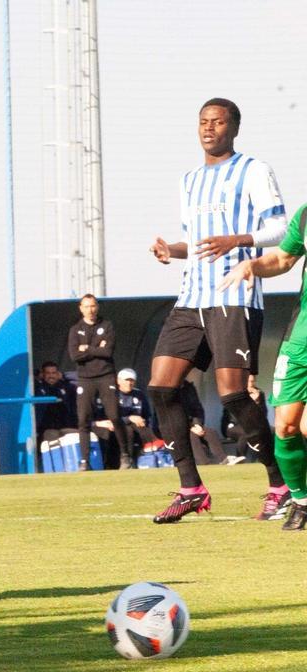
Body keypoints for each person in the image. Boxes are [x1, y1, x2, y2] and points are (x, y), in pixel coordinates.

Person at [146, 97, 288, 524]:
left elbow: (280, 228)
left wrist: (238, 240)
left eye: (218, 121)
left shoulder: (254, 171)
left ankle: (281, 486)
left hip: (234, 296)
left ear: (234, 128)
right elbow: (200, 242)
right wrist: (172, 249)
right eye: (203, 122)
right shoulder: (189, 180)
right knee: (161, 387)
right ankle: (191, 488)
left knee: (232, 395)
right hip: (192, 298)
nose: (209, 128)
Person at [221, 201, 307, 529]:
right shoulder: (305, 214)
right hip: (299, 339)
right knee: (285, 426)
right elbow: (283, 258)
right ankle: (301, 501)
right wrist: (252, 266)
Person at [67, 294, 129, 471]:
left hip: (105, 376)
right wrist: (97, 349)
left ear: (97, 307)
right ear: (81, 308)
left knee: (114, 416)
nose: (90, 310)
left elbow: (108, 352)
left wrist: (86, 348)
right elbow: (74, 355)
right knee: (83, 419)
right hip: (86, 378)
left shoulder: (106, 326)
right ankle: (84, 461)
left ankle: (125, 455)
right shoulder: (75, 329)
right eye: (87, 306)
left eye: (93, 306)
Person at [92, 368, 155, 469]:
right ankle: (126, 462)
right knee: (127, 431)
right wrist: (129, 418)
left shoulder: (139, 394)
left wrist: (145, 423)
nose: (129, 383)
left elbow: (148, 416)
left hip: (135, 427)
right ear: (118, 381)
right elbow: (108, 418)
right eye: (126, 380)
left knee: (146, 432)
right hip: (114, 427)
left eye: (132, 380)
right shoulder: (111, 394)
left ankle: (151, 460)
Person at [219, 373, 266, 463]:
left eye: (252, 381)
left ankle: (268, 458)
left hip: (253, 425)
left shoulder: (259, 394)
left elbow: (263, 414)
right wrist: (250, 402)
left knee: (269, 431)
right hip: (233, 426)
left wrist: (257, 402)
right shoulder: (235, 393)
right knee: (246, 432)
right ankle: (239, 457)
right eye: (249, 382)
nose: (251, 384)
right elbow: (236, 416)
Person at [34, 361, 77, 443]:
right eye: (48, 373)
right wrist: (37, 374)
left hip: (68, 427)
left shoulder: (67, 386)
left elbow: (80, 378)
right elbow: (27, 375)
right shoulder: (37, 387)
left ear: (58, 374)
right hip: (47, 429)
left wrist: (64, 375)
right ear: (43, 374)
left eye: (54, 373)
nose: (51, 376)